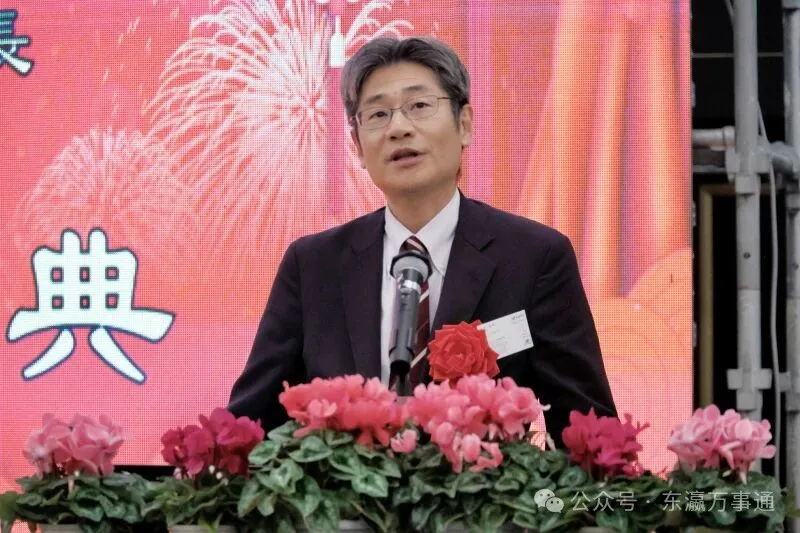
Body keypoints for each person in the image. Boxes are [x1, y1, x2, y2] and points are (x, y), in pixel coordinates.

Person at [227, 36, 617, 446]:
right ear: (357, 145)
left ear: (464, 125)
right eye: (378, 114)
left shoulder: (533, 258)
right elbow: (251, 427)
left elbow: (588, 434)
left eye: (419, 106)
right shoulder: (313, 265)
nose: (399, 128)